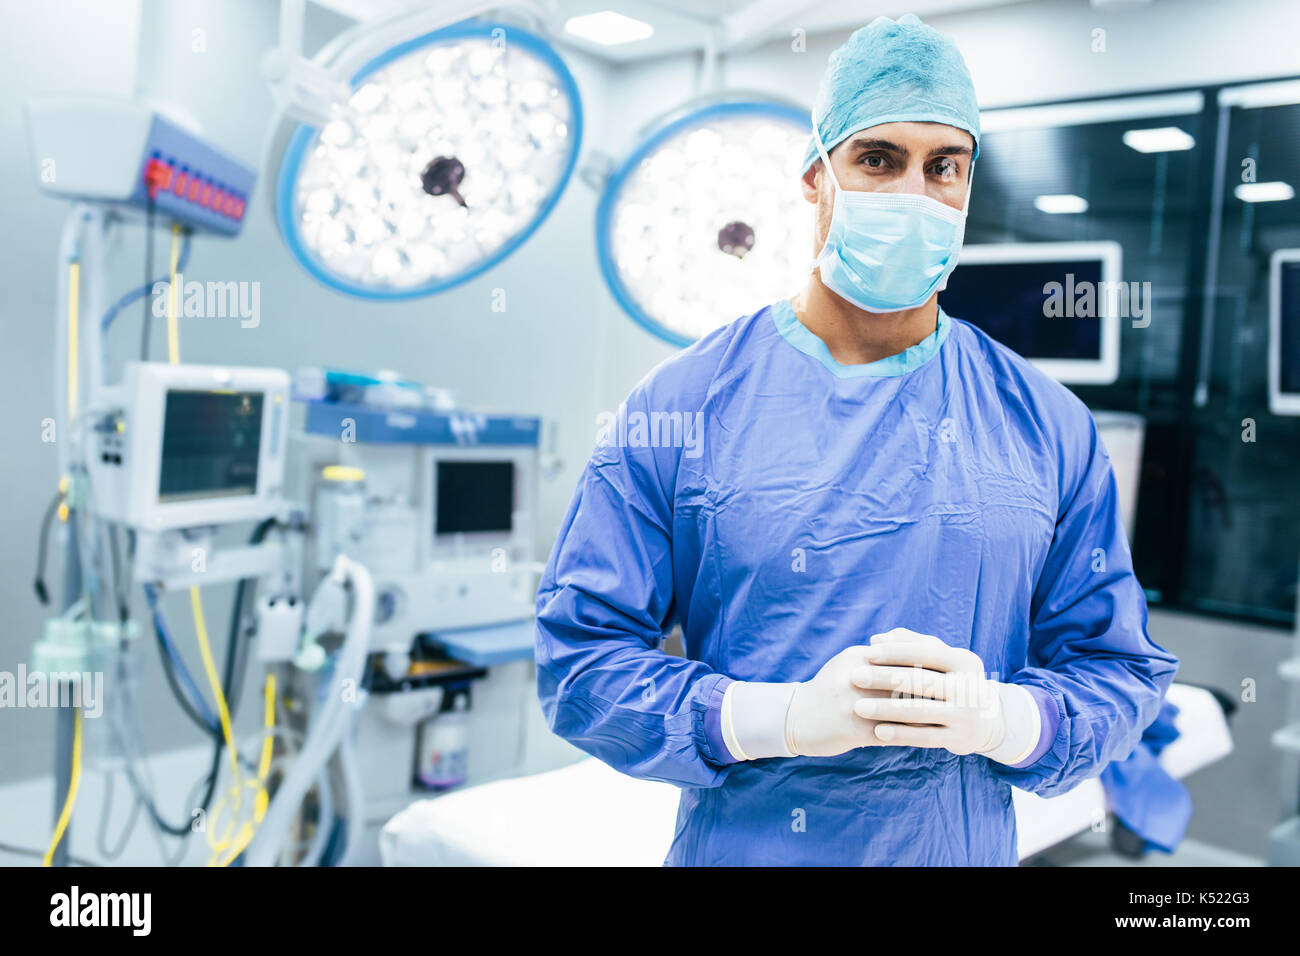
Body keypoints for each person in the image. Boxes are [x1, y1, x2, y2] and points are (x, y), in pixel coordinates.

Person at [535, 14, 1178, 865]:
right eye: (878, 159)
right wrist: (779, 719)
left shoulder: (1047, 424)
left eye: (943, 167)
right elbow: (579, 664)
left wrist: (1007, 719)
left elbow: (1118, 670)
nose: (915, 192)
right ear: (815, 176)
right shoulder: (684, 404)